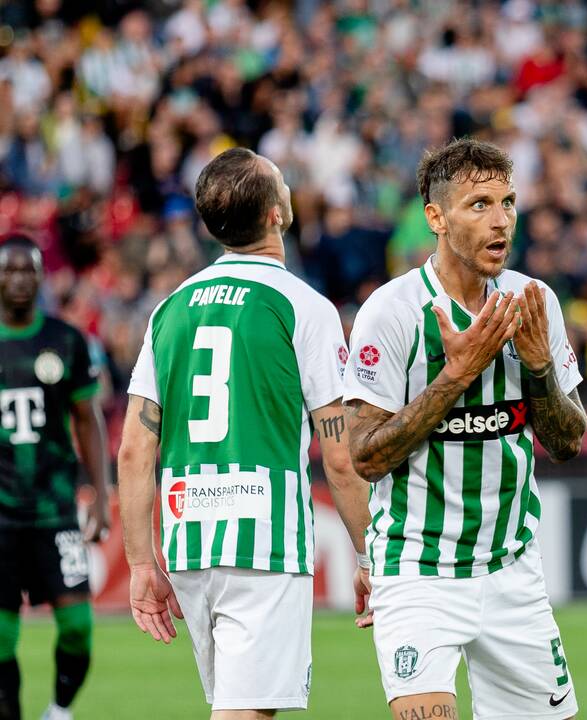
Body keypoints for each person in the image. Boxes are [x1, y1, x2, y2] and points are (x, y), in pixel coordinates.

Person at [117, 147, 372, 719]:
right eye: (281, 181)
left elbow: (136, 447)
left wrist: (140, 564)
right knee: (247, 712)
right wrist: (368, 554)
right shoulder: (302, 306)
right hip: (263, 537)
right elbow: (339, 454)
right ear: (277, 214)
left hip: (188, 539)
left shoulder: (170, 309)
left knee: (236, 706)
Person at [344, 137, 587, 720]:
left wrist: (538, 369)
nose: (500, 220)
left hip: (512, 570)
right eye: (479, 204)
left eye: (507, 202)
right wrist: (455, 376)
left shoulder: (535, 301)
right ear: (436, 217)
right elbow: (366, 457)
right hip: (417, 570)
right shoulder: (394, 311)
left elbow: (568, 441)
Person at [0, 235, 111, 720]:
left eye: (29, 270)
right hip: (1, 520)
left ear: (43, 277)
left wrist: (102, 496)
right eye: (10, 270)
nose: (20, 279)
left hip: (56, 511)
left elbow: (88, 420)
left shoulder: (66, 340)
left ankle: (59, 711)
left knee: (77, 627)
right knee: (2, 640)